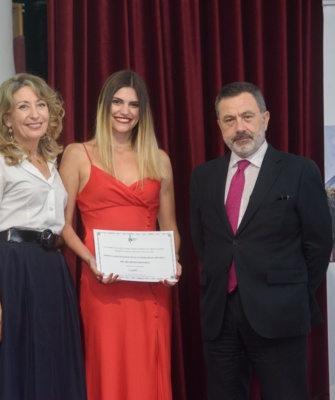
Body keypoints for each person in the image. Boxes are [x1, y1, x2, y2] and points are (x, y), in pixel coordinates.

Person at [190, 81, 333, 399]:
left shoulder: (299, 170)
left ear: (265, 119)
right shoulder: (203, 177)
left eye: (247, 116)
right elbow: (203, 242)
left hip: (280, 314)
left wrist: (290, 290)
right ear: (219, 125)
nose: (239, 127)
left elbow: (319, 243)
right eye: (229, 119)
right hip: (220, 316)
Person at [0, 73, 87, 399]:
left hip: (50, 272)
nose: (35, 114)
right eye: (23, 107)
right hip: (11, 275)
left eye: (40, 105)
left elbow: (58, 225)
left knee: (50, 366)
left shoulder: (51, 164)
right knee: (12, 370)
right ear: (7, 119)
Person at [60, 70, 182, 400]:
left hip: (151, 286)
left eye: (133, 104)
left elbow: (170, 227)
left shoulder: (159, 159)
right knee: (108, 366)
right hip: (102, 282)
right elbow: (63, 225)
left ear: (143, 111)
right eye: (117, 102)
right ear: (104, 105)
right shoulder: (77, 154)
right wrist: (90, 261)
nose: (124, 111)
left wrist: (172, 262)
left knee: (148, 370)